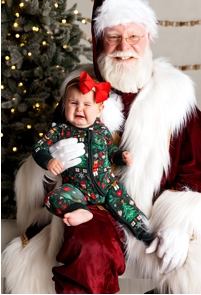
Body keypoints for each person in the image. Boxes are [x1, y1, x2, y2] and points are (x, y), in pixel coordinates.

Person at [2, 0, 201, 294]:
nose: (124, 46)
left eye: (134, 37)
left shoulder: (176, 100)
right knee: (87, 247)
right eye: (114, 37)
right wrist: (48, 168)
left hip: (154, 215)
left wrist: (181, 223)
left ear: (147, 39)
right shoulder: (77, 95)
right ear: (100, 43)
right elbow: (45, 170)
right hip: (93, 208)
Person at [35, 73, 154, 246]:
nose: (79, 109)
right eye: (73, 103)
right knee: (53, 199)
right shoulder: (60, 131)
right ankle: (79, 211)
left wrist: (121, 157)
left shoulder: (101, 130)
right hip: (76, 189)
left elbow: (110, 152)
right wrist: (48, 160)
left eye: (87, 104)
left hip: (107, 185)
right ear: (64, 105)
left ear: (99, 109)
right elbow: (39, 147)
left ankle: (147, 234)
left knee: (127, 207)